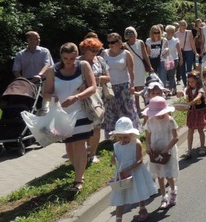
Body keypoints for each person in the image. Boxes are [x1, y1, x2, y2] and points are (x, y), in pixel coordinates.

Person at [41, 42, 97, 193]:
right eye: (66, 58)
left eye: (72, 58)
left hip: (80, 112)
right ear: (61, 57)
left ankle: (78, 180)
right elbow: (46, 93)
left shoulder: (83, 65)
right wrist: (53, 98)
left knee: (79, 145)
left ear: (76, 55)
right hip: (61, 115)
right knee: (69, 146)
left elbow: (93, 87)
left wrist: (76, 97)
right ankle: (79, 170)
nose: (69, 62)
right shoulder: (53, 70)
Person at [108, 117, 158, 222]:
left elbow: (139, 160)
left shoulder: (136, 143)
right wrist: (113, 160)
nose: (123, 139)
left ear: (131, 134)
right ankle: (118, 221)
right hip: (122, 174)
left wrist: (128, 169)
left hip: (135, 171)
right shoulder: (116, 146)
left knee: (138, 191)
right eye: (120, 137)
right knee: (120, 195)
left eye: (125, 136)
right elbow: (114, 158)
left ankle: (142, 209)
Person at [144, 96, 179, 210]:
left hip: (167, 150)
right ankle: (164, 196)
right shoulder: (150, 122)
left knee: (168, 174)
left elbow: (175, 138)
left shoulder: (169, 120)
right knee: (160, 175)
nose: (159, 115)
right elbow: (147, 138)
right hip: (156, 151)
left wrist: (166, 149)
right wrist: (148, 147)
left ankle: (173, 190)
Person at [79, 36, 109, 164]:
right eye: (92, 50)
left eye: (97, 50)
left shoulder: (100, 60)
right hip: (82, 98)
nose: (95, 53)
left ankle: (93, 154)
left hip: (97, 96)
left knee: (96, 126)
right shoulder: (78, 62)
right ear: (85, 50)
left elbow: (108, 78)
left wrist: (93, 81)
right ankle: (85, 152)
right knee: (85, 126)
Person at [102, 33, 140, 134]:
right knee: (110, 111)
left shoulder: (126, 53)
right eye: (109, 42)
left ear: (119, 42)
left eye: (113, 42)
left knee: (128, 109)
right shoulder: (104, 54)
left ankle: (132, 131)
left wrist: (132, 85)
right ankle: (112, 134)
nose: (110, 44)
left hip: (123, 85)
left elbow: (131, 71)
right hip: (109, 87)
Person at [123, 26, 151, 114]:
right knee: (134, 88)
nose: (131, 36)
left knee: (141, 87)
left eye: (132, 33)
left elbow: (145, 55)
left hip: (140, 67)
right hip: (131, 67)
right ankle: (137, 108)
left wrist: (150, 66)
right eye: (128, 34)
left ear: (135, 33)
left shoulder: (140, 42)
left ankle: (148, 105)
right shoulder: (125, 45)